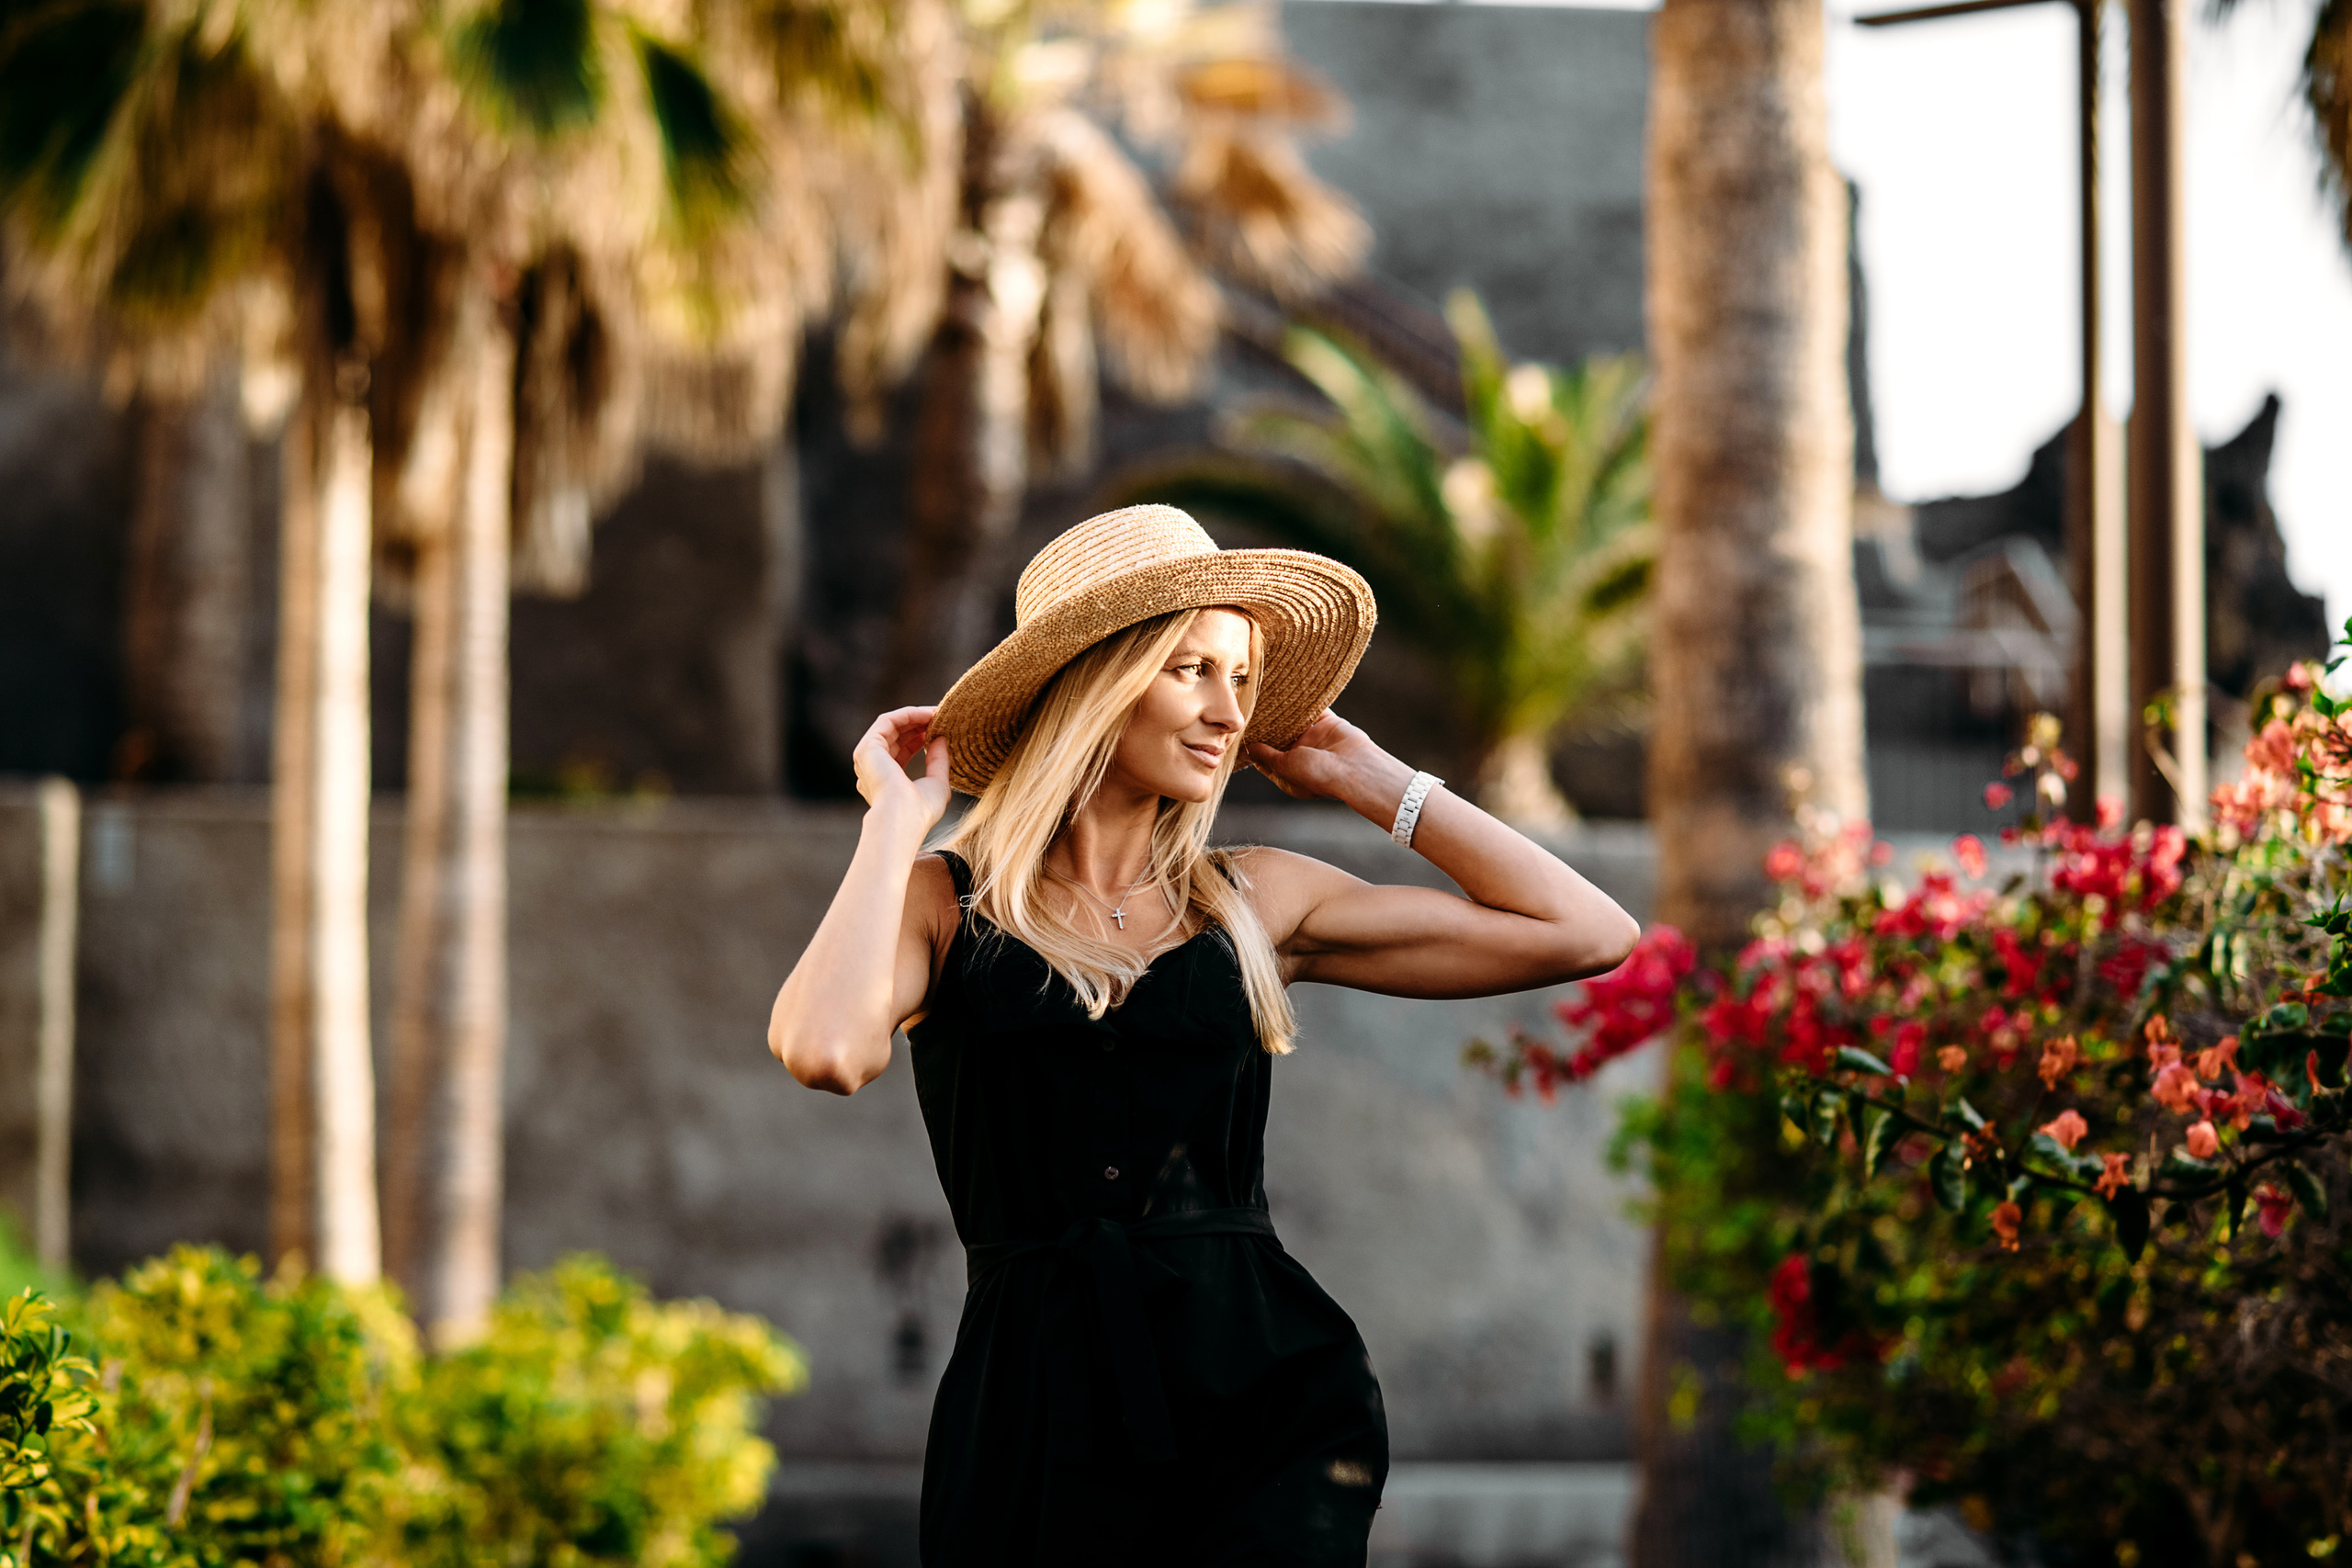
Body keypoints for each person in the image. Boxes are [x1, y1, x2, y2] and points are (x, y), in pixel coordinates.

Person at [767, 505, 1640, 1567]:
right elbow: (824, 1051)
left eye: (1242, 678)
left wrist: (1376, 785)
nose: (1231, 713)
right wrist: (894, 825)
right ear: (1096, 683)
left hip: (1266, 1394)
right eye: (1193, 671)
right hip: (1034, 1398)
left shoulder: (1252, 899)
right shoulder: (942, 904)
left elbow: (1589, 932)